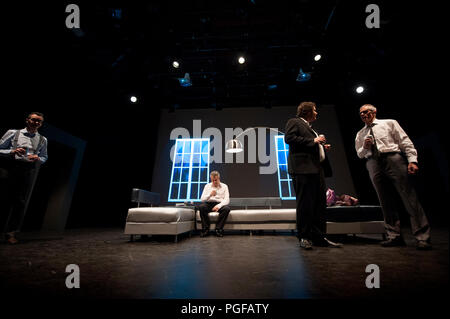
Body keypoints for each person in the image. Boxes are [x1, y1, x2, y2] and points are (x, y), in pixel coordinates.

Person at [355, 104, 431, 250]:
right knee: (385, 201)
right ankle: (394, 236)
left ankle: (422, 237)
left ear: (374, 112)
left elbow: (405, 141)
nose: (364, 115)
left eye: (366, 112)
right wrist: (365, 146)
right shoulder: (360, 133)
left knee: (409, 198)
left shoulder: (389, 123)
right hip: (372, 162)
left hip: (393, 158)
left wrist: (412, 160)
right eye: (361, 113)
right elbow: (359, 154)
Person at [285, 101, 342, 250]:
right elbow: (289, 138)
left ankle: (319, 237)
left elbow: (309, 144)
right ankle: (304, 237)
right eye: (315, 110)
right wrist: (314, 141)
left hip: (317, 169)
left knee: (319, 205)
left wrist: (321, 147)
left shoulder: (311, 128)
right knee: (305, 204)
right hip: (303, 169)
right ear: (307, 112)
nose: (316, 113)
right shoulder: (294, 122)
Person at [0, 112, 48, 244]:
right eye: (34, 120)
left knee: (20, 202)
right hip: (10, 168)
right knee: (4, 198)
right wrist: (12, 151)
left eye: (39, 121)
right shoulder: (13, 133)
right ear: (27, 120)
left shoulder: (43, 139)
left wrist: (38, 158)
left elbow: (44, 157)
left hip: (28, 170)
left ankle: (11, 233)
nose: (36, 123)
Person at [198, 171, 230, 237]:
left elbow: (227, 200)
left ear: (219, 178)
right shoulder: (207, 186)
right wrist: (210, 195)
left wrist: (218, 206)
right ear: (211, 179)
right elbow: (202, 199)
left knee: (226, 209)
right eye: (213, 180)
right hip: (209, 204)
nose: (215, 182)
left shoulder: (224, 186)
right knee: (201, 207)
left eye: (216, 180)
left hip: (219, 204)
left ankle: (218, 229)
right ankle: (205, 229)